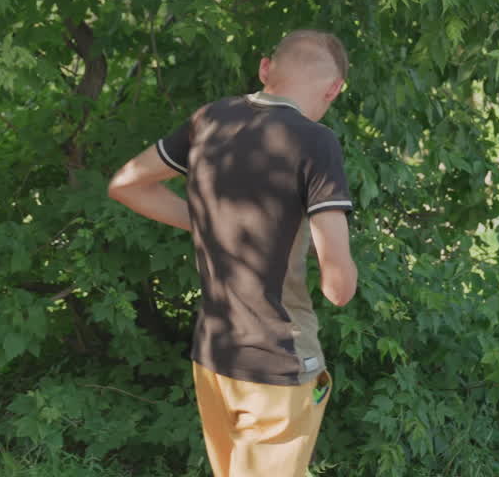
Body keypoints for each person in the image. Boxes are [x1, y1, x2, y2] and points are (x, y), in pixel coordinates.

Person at [107, 29, 357, 477]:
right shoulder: (317, 142)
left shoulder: (209, 119)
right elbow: (338, 288)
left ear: (265, 69)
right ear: (333, 88)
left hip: (214, 357)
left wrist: (206, 221)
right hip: (278, 363)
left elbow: (125, 184)